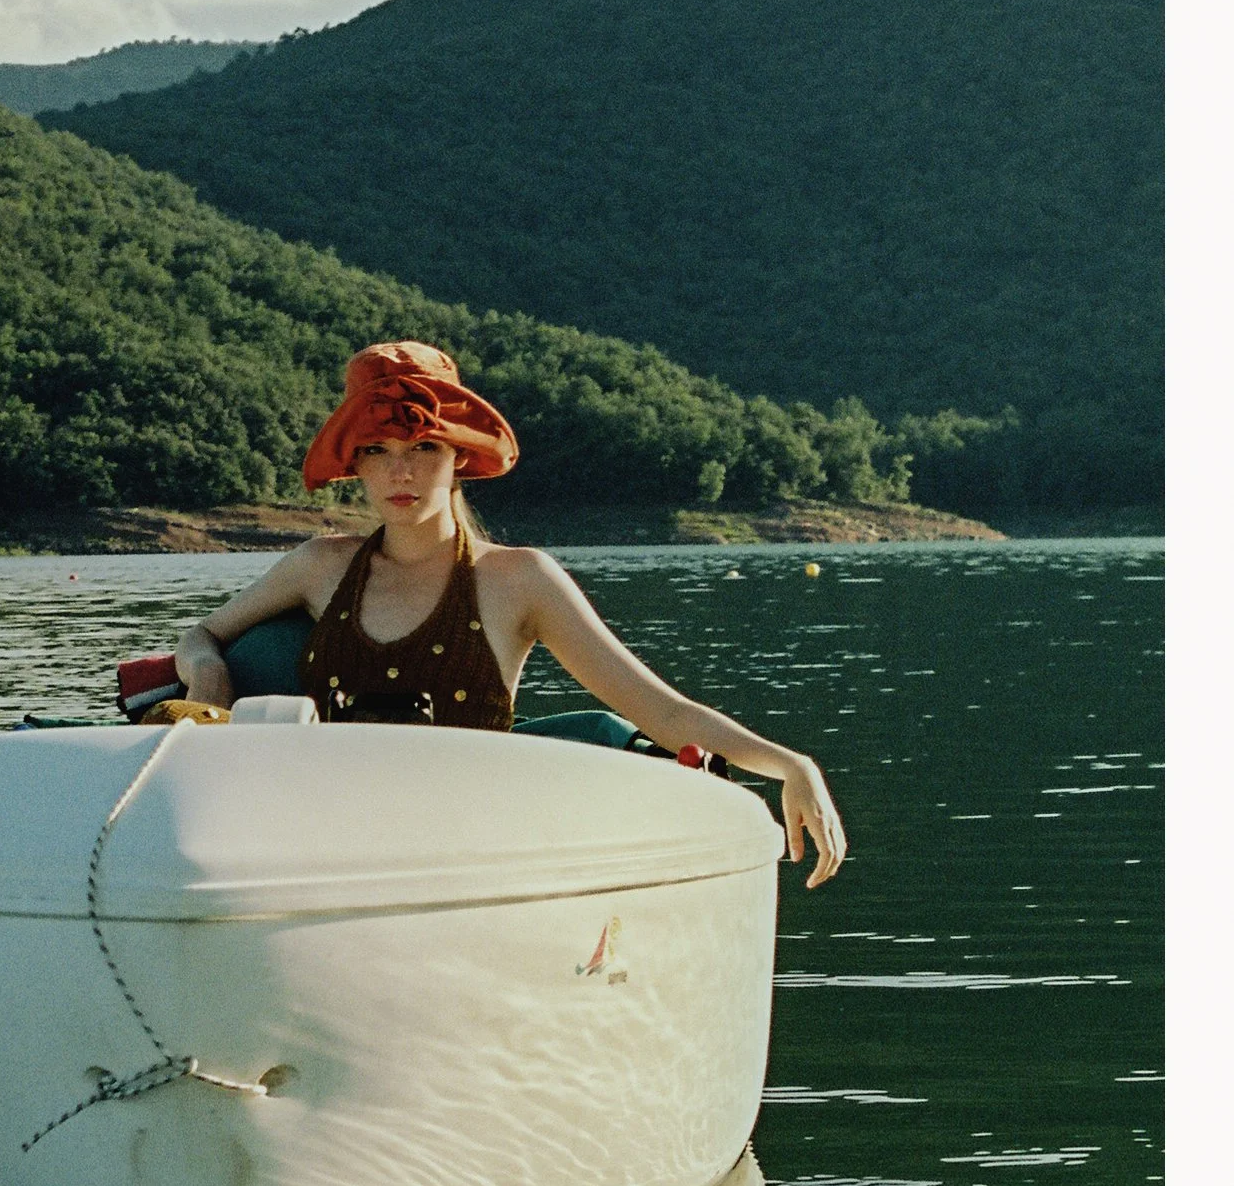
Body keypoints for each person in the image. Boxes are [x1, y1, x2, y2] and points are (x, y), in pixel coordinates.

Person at [174, 342, 846, 887]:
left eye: (422, 449)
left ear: (458, 456)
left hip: (467, 864)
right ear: (356, 464)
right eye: (377, 451)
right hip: (319, 855)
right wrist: (208, 683)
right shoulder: (322, 566)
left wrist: (791, 765)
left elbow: (660, 711)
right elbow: (203, 635)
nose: (399, 472)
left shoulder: (518, 580)